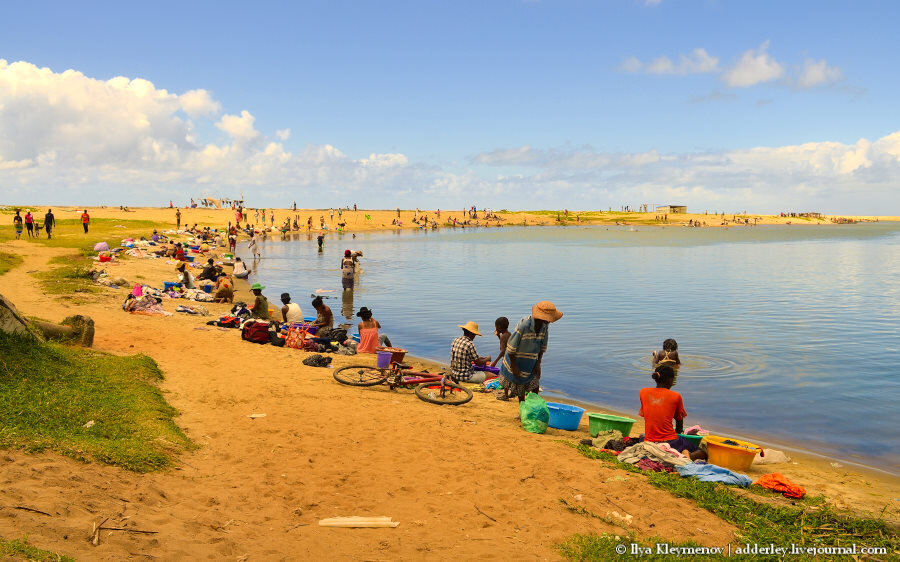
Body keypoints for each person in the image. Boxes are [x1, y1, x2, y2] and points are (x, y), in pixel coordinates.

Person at [498, 301, 563, 402]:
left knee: (535, 386)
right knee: (520, 391)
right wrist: (514, 366)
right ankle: (523, 412)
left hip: (530, 362)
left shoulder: (544, 327)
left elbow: (542, 347)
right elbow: (511, 348)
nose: (550, 321)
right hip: (516, 361)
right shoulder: (523, 325)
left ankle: (532, 408)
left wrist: (538, 363)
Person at [639, 365, 706, 460]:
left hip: (649, 441)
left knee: (641, 436)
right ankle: (686, 456)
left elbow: (651, 415)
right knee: (703, 453)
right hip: (670, 441)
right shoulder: (676, 396)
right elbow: (679, 423)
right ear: (669, 380)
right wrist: (677, 434)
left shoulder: (643, 392)